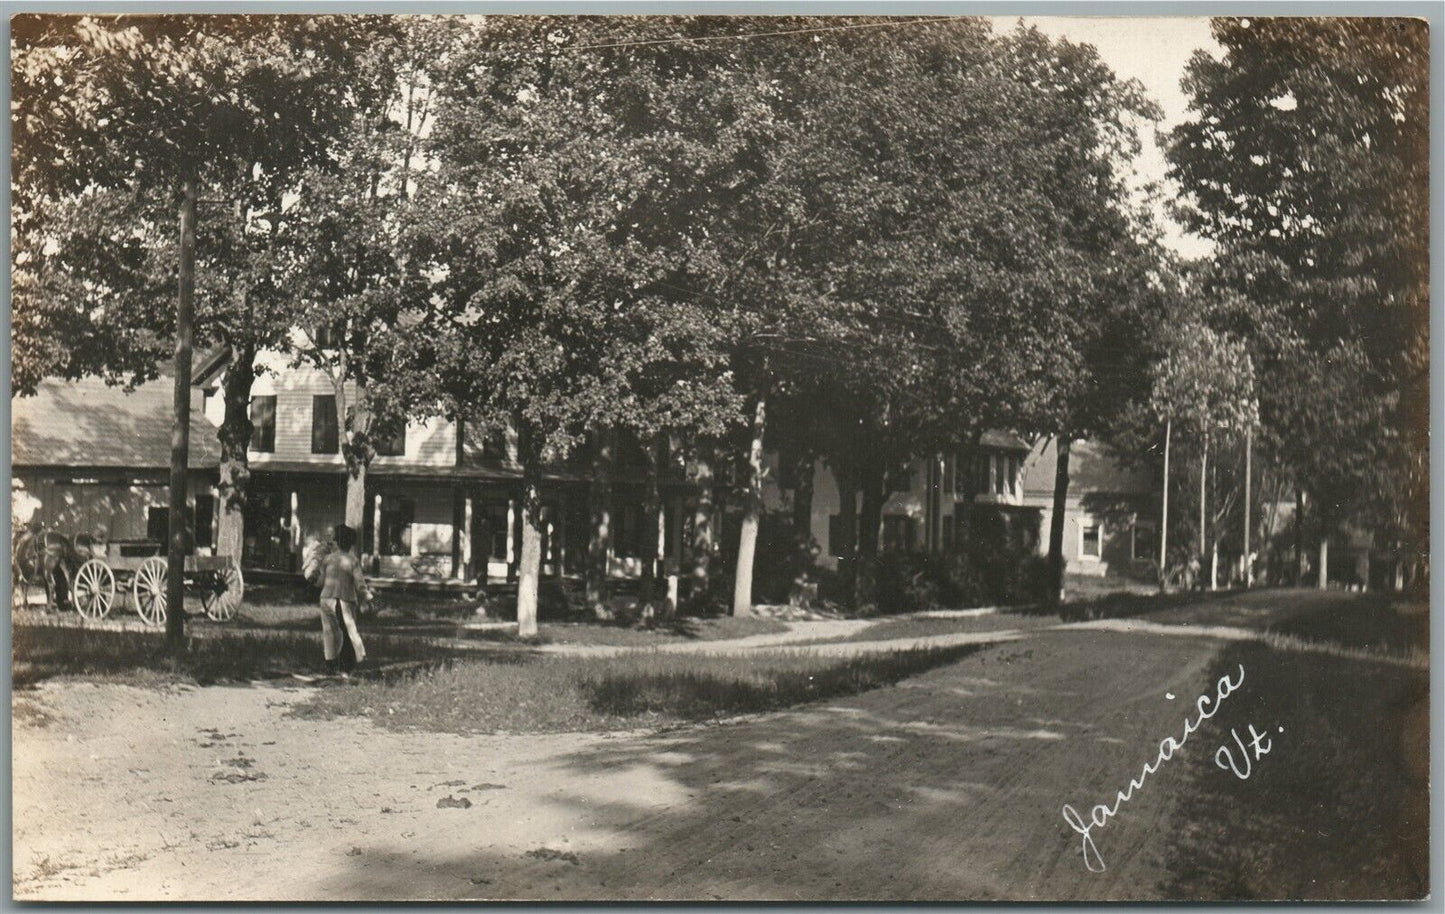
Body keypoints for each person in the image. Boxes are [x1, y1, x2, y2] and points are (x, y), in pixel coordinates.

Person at [318, 524, 368, 676]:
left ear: (336, 542)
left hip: (326, 598)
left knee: (329, 632)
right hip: (344, 599)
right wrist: (366, 596)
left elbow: (320, 581)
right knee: (347, 632)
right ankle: (348, 666)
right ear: (351, 543)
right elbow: (360, 583)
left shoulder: (327, 559)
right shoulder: (352, 560)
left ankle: (330, 664)